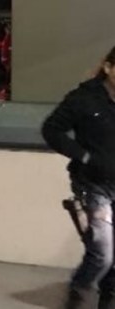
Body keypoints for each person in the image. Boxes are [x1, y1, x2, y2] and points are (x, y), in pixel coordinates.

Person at [43, 46, 115, 309]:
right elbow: (52, 130)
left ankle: (108, 296)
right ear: (108, 68)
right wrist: (84, 157)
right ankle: (78, 291)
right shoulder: (84, 98)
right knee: (102, 253)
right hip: (93, 185)